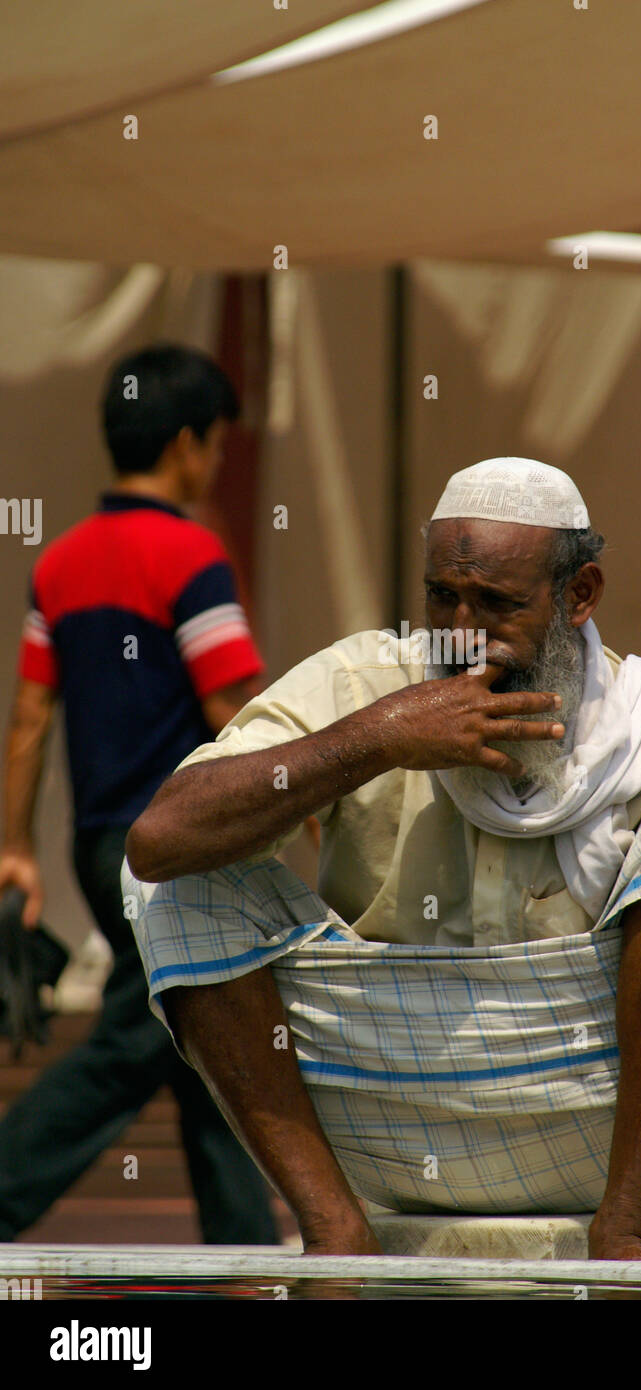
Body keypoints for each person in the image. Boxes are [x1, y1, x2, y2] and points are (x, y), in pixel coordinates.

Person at [123, 457, 641, 1261]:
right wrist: (376, 740)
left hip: (593, 1124)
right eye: (444, 595)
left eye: (499, 603)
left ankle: (625, 1230)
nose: (462, 630)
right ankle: (337, 1233)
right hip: (379, 1117)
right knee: (170, 887)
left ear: (580, 596)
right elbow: (158, 841)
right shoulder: (365, 683)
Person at [0, 343, 280, 1244]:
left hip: (95, 848)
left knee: (203, 1035)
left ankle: (244, 1248)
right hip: (175, 855)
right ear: (190, 445)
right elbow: (235, 701)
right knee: (138, 1042)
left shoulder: (61, 564)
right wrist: (314, 796)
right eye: (218, 446)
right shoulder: (191, 558)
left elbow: (29, 723)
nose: (217, 463)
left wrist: (16, 848)